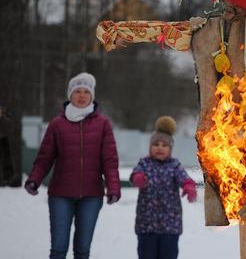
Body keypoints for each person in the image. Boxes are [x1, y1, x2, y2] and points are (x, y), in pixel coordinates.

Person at [25, 72, 121, 259]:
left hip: (91, 196)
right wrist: (34, 179)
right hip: (60, 195)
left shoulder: (103, 124)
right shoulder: (57, 124)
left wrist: (113, 187)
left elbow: (109, 160)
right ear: (70, 95)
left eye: (86, 91)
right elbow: (45, 157)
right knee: (59, 249)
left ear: (92, 95)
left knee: (82, 249)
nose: (82, 95)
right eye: (77, 91)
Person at [130, 115, 197, 259]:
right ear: (150, 147)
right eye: (156, 144)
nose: (159, 148)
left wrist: (188, 186)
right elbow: (135, 175)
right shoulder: (144, 163)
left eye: (164, 145)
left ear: (170, 148)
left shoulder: (174, 165)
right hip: (146, 224)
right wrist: (138, 179)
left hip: (170, 225)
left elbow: (184, 178)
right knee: (146, 255)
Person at [0, 105, 14, 185]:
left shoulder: (6, 118)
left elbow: (9, 125)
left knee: (6, 157)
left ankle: (7, 177)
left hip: (4, 139)